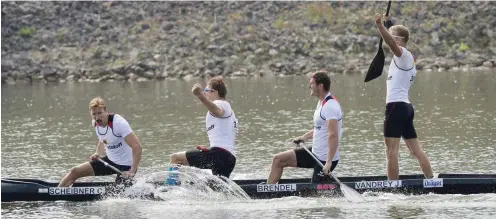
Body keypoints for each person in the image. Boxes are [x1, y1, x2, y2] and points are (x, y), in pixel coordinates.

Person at [374, 13, 434, 180]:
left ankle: (392, 187)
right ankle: (431, 181)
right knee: (415, 150)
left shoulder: (403, 56)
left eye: (391, 37)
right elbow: (395, 38)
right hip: (405, 108)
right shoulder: (408, 58)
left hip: (395, 107)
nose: (387, 41)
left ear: (399, 40)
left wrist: (380, 26)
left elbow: (392, 42)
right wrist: (389, 23)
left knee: (391, 151)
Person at [267, 71, 342, 184]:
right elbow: (320, 128)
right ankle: (268, 190)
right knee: (278, 160)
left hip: (324, 159)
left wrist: (329, 162)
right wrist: (304, 137)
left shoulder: (330, 106)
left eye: (311, 83)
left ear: (320, 86)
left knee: (313, 195)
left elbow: (333, 134)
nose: (309, 86)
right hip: (314, 153)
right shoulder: (322, 102)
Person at [58, 97, 143, 187]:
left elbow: (137, 147)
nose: (97, 117)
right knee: (75, 171)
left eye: (100, 113)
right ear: (90, 113)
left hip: (127, 166)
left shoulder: (118, 123)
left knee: (117, 194)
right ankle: (56, 193)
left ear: (105, 111)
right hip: (110, 161)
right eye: (94, 114)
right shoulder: (95, 123)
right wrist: (97, 152)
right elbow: (103, 138)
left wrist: (132, 171)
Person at [169, 76, 238, 180]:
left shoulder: (220, 104)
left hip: (219, 156)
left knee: (176, 158)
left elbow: (218, 111)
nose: (205, 93)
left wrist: (200, 95)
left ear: (215, 92)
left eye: (206, 90)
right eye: (204, 91)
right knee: (217, 189)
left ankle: (171, 188)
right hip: (229, 159)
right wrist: (210, 149)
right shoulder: (231, 113)